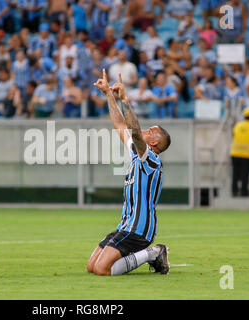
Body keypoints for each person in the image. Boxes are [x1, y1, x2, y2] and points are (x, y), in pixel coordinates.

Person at [87, 69, 171, 276]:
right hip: (126, 225)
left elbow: (133, 129)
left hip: (139, 229)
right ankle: (149, 254)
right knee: (92, 267)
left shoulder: (150, 158)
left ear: (153, 142)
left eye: (150, 130)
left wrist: (125, 98)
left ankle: (153, 253)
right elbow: (119, 124)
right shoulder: (138, 152)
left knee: (102, 269)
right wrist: (109, 94)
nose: (145, 130)